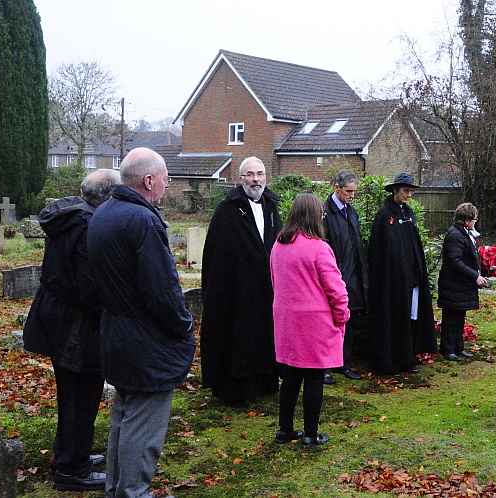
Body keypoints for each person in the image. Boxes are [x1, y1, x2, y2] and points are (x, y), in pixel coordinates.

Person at [87, 148, 195, 498]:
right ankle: (133, 491)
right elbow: (161, 290)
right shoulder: (142, 220)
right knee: (144, 422)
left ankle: (118, 487)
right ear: (148, 180)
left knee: (126, 412)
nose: (167, 185)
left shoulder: (104, 213)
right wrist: (184, 326)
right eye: (165, 178)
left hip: (116, 330)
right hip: (145, 338)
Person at [23, 169, 120, 491]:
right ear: (108, 196)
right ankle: (71, 470)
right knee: (81, 395)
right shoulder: (89, 226)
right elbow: (89, 288)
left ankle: (71, 454)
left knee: (73, 394)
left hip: (58, 317)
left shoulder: (71, 216)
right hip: (76, 326)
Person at [200, 156, 282, 406]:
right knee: (239, 337)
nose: (256, 179)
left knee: (264, 335)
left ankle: (264, 381)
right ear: (241, 179)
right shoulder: (227, 209)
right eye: (250, 175)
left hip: (266, 288)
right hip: (236, 289)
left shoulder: (270, 205)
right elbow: (218, 253)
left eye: (260, 174)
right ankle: (237, 388)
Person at [270, 193, 350, 446]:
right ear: (317, 216)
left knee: (291, 377)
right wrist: (342, 317)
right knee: (314, 377)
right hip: (314, 322)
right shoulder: (319, 248)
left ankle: (285, 430)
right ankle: (311, 434)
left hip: (286, 320)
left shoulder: (278, 244)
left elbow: (275, 282)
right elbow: (336, 290)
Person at [367, 172, 438, 375]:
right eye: (406, 191)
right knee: (393, 318)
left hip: (411, 279)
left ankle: (407, 358)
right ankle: (388, 362)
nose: (409, 195)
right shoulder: (384, 216)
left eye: (411, 192)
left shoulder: (408, 214)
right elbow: (380, 251)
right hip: (392, 281)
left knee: (410, 317)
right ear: (395, 191)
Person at [322, 170, 367, 385]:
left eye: (354, 192)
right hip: (333, 276)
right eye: (348, 191)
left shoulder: (352, 212)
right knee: (328, 323)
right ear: (336, 188)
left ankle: (343, 362)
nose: (352, 196)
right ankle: (324, 367)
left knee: (346, 321)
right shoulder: (324, 213)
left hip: (352, 276)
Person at [437, 202, 489, 362]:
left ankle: (458, 347)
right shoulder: (455, 235)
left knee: (459, 316)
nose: (475, 222)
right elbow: (454, 260)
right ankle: (447, 349)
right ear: (466, 220)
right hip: (453, 284)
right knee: (451, 317)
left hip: (460, 285)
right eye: (474, 219)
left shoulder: (464, 233)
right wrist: (475, 276)